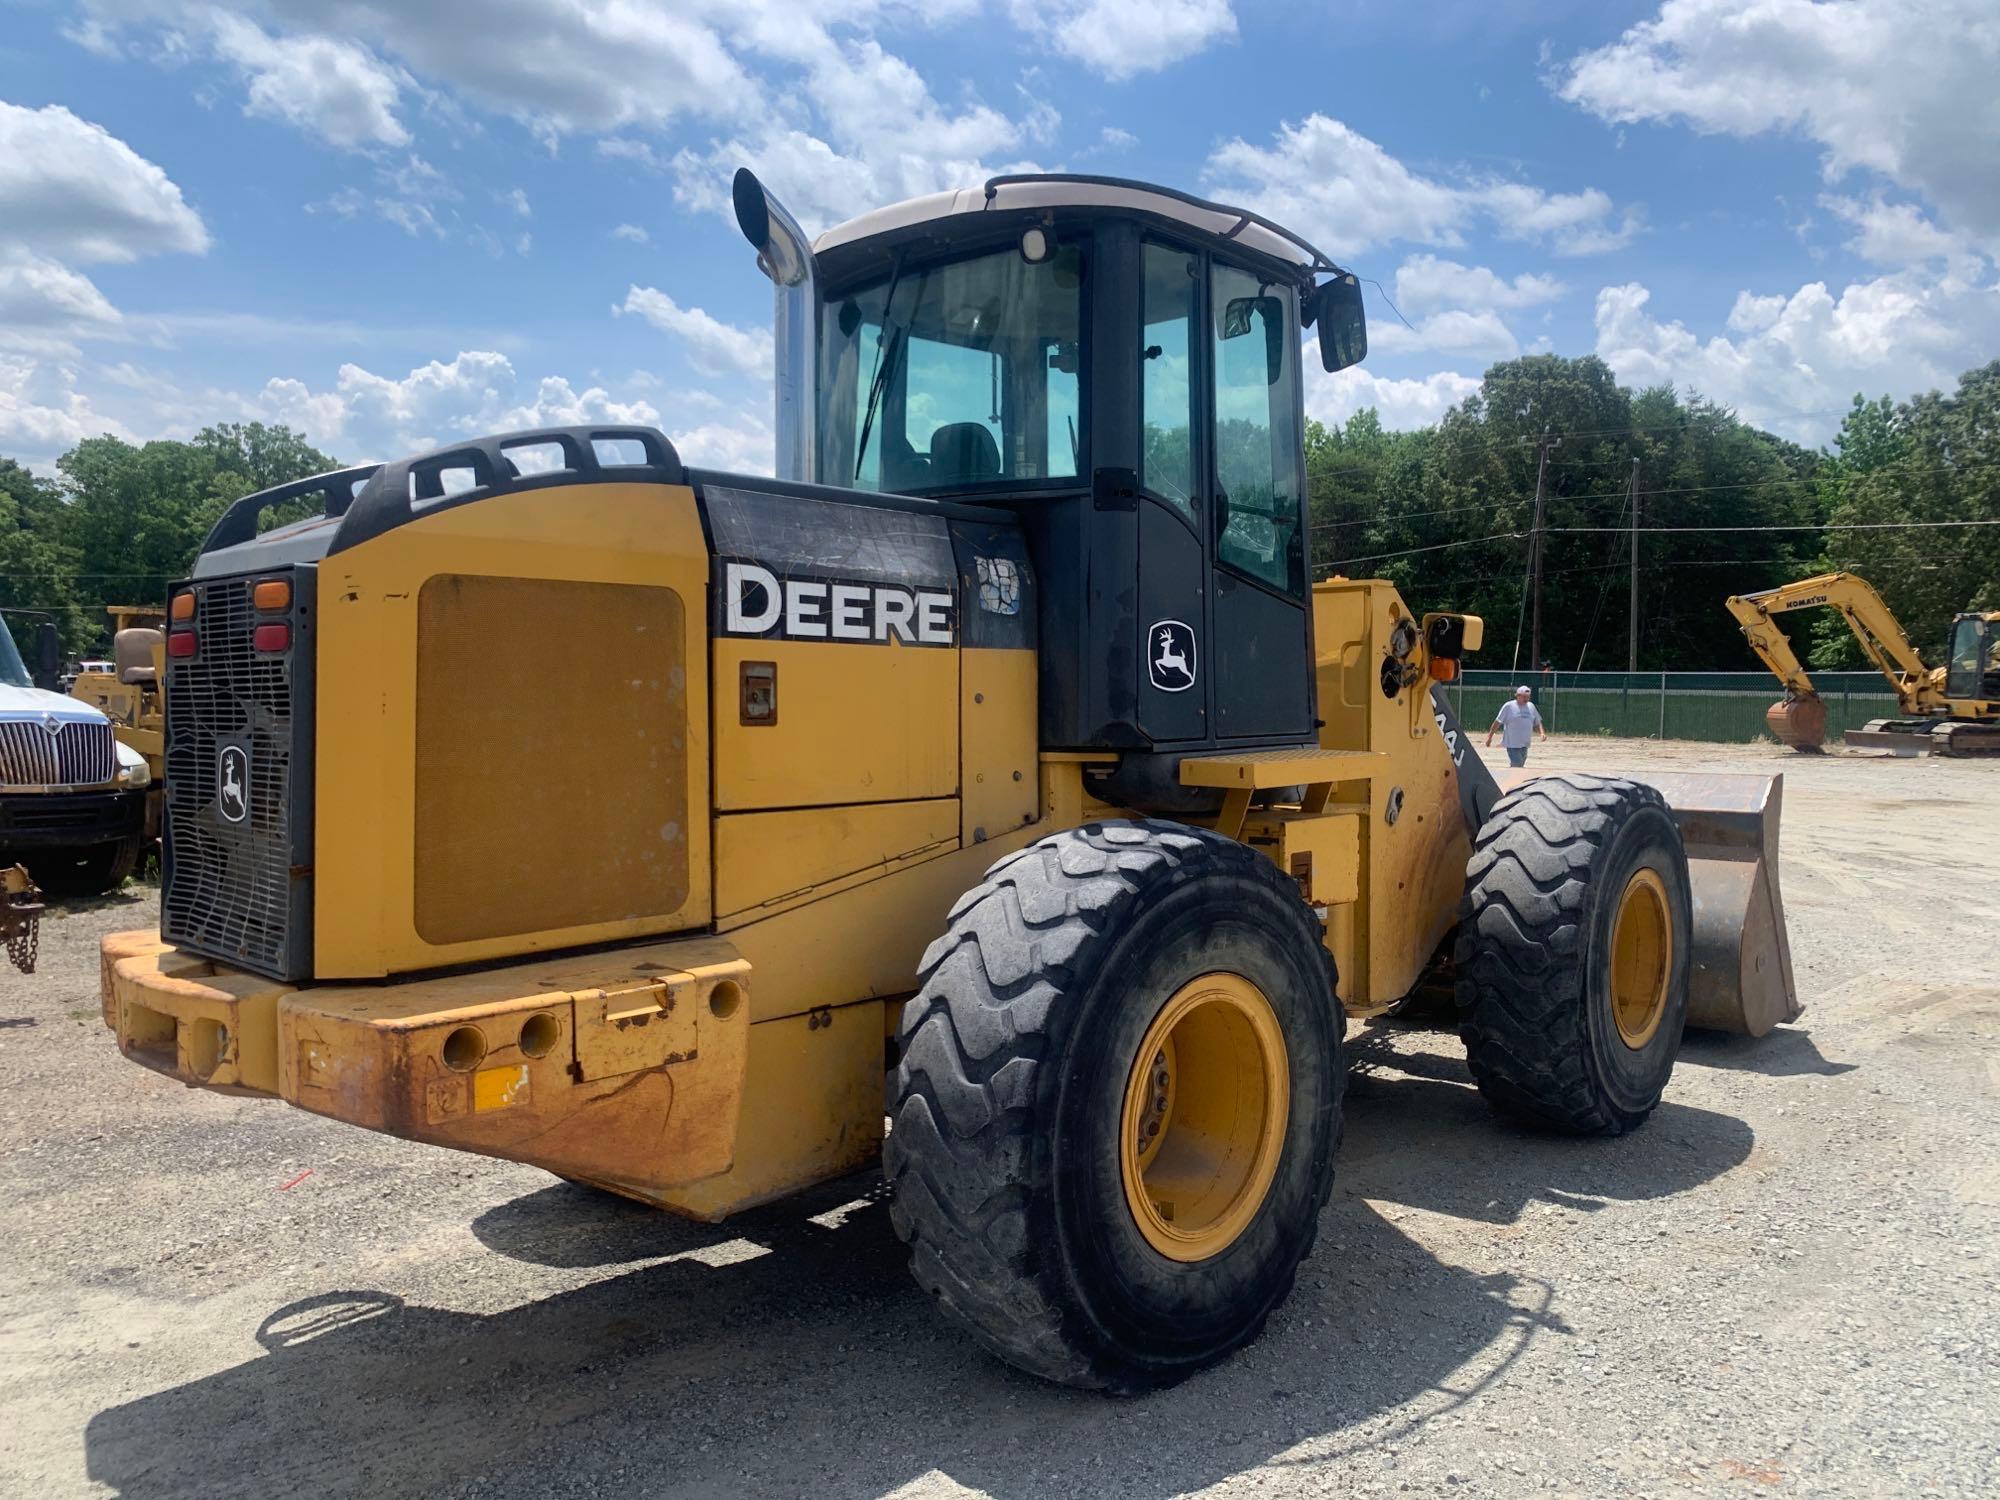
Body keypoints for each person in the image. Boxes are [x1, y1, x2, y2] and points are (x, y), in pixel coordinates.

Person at [1486, 685, 1546, 768]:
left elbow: (1537, 722)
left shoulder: (1531, 706)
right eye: (1524, 697)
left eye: (1528, 697)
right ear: (1518, 696)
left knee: (1519, 765)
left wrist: (1542, 733)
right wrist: (1490, 737)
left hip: (1525, 744)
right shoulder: (1509, 706)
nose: (1526, 699)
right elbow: (1497, 722)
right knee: (1517, 765)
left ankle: (1512, 776)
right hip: (1512, 744)